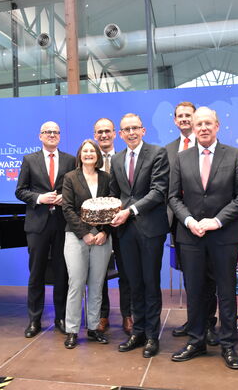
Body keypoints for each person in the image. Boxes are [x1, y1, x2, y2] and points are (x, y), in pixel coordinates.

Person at [169, 107, 238, 369]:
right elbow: (173, 197)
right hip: (191, 235)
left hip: (224, 235)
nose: (203, 128)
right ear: (193, 128)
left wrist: (216, 221)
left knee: (226, 291)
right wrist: (190, 221)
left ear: (217, 126)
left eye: (208, 123)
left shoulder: (235, 155)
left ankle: (228, 345)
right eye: (199, 124)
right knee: (194, 291)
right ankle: (196, 340)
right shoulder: (181, 158)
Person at [110, 113, 169, 358]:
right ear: (120, 134)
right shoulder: (116, 159)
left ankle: (153, 336)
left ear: (143, 130)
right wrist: (114, 213)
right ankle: (138, 331)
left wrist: (129, 210)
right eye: (126, 129)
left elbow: (158, 191)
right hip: (125, 232)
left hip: (151, 229)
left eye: (135, 128)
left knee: (150, 284)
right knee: (133, 284)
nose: (131, 132)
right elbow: (114, 193)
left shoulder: (158, 153)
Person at [15, 121, 76, 338]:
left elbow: (76, 189)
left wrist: (65, 198)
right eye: (48, 132)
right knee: (36, 273)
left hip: (63, 223)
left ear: (60, 136)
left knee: (62, 272)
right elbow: (20, 191)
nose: (52, 135)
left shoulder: (71, 160)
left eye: (56, 132)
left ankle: (61, 318)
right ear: (40, 135)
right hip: (37, 224)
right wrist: (39, 198)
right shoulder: (29, 160)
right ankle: (34, 319)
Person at [166, 102, 218, 346]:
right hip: (180, 223)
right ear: (175, 120)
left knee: (209, 276)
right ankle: (193, 320)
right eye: (181, 116)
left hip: (210, 223)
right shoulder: (167, 150)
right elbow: (169, 190)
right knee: (190, 275)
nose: (185, 119)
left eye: (189, 115)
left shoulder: (208, 143)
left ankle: (208, 323)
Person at [62, 139, 112, 349]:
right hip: (76, 237)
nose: (89, 154)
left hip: (101, 238)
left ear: (98, 156)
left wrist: (105, 231)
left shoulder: (106, 177)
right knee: (76, 284)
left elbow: (113, 207)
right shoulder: (70, 177)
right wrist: (84, 233)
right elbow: (67, 208)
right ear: (80, 155)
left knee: (97, 284)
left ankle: (93, 328)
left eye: (93, 150)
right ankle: (72, 330)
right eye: (85, 151)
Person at [93, 117, 133, 335]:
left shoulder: (124, 158)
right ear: (94, 135)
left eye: (107, 131)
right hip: (98, 230)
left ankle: (128, 315)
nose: (104, 135)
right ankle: (102, 315)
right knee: (99, 275)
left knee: (127, 273)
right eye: (99, 132)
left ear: (115, 134)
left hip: (124, 225)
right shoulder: (88, 160)